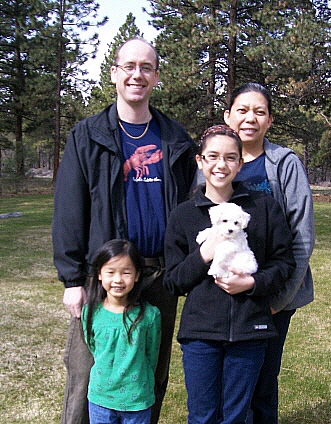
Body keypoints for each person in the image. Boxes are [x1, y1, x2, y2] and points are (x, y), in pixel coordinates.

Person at [52, 37, 197, 424]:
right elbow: (69, 209)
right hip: (105, 276)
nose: (137, 74)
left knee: (150, 373)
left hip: (158, 275)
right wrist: (71, 278)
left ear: (156, 77)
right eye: (129, 66)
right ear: (114, 74)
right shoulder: (87, 136)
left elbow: (189, 207)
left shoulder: (175, 140)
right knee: (87, 373)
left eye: (146, 67)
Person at [163, 125, 296, 423]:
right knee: (202, 416)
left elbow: (284, 263)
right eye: (212, 157)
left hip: (250, 330)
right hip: (201, 333)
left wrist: (252, 283)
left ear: (240, 162)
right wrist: (203, 254)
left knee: (236, 416)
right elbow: (172, 281)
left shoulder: (263, 208)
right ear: (199, 161)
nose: (220, 165)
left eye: (230, 158)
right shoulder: (183, 215)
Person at [223, 82, 315, 424]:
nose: (250, 118)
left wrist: (280, 298)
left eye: (259, 111)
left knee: (262, 383)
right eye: (242, 110)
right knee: (228, 384)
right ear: (227, 116)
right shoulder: (214, 161)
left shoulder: (284, 164)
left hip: (271, 294)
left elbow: (302, 236)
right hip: (225, 295)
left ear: (270, 120)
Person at [81, 239, 161, 424]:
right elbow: (92, 345)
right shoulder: (90, 312)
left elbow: (152, 355)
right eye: (110, 272)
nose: (118, 280)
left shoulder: (150, 315)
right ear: (99, 274)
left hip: (137, 400)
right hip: (101, 399)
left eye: (126, 272)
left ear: (137, 275)